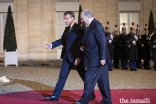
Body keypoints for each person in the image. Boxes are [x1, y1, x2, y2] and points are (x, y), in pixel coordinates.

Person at [44, 11, 95, 101]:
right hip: (67, 58)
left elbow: (80, 43)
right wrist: (51, 45)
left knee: (84, 77)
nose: (64, 20)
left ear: (72, 18)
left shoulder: (80, 29)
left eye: (66, 18)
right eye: (64, 18)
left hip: (76, 58)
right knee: (62, 76)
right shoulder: (67, 29)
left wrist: (78, 58)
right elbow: (62, 40)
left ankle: (91, 94)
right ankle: (55, 96)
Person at [74, 9, 112, 104]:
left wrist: (103, 58)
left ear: (88, 16)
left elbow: (103, 42)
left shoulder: (96, 25)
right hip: (95, 57)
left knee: (88, 79)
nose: (81, 20)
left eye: (82, 18)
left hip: (97, 59)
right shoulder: (90, 25)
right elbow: (93, 41)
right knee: (103, 82)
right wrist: (85, 47)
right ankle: (107, 101)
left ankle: (83, 101)